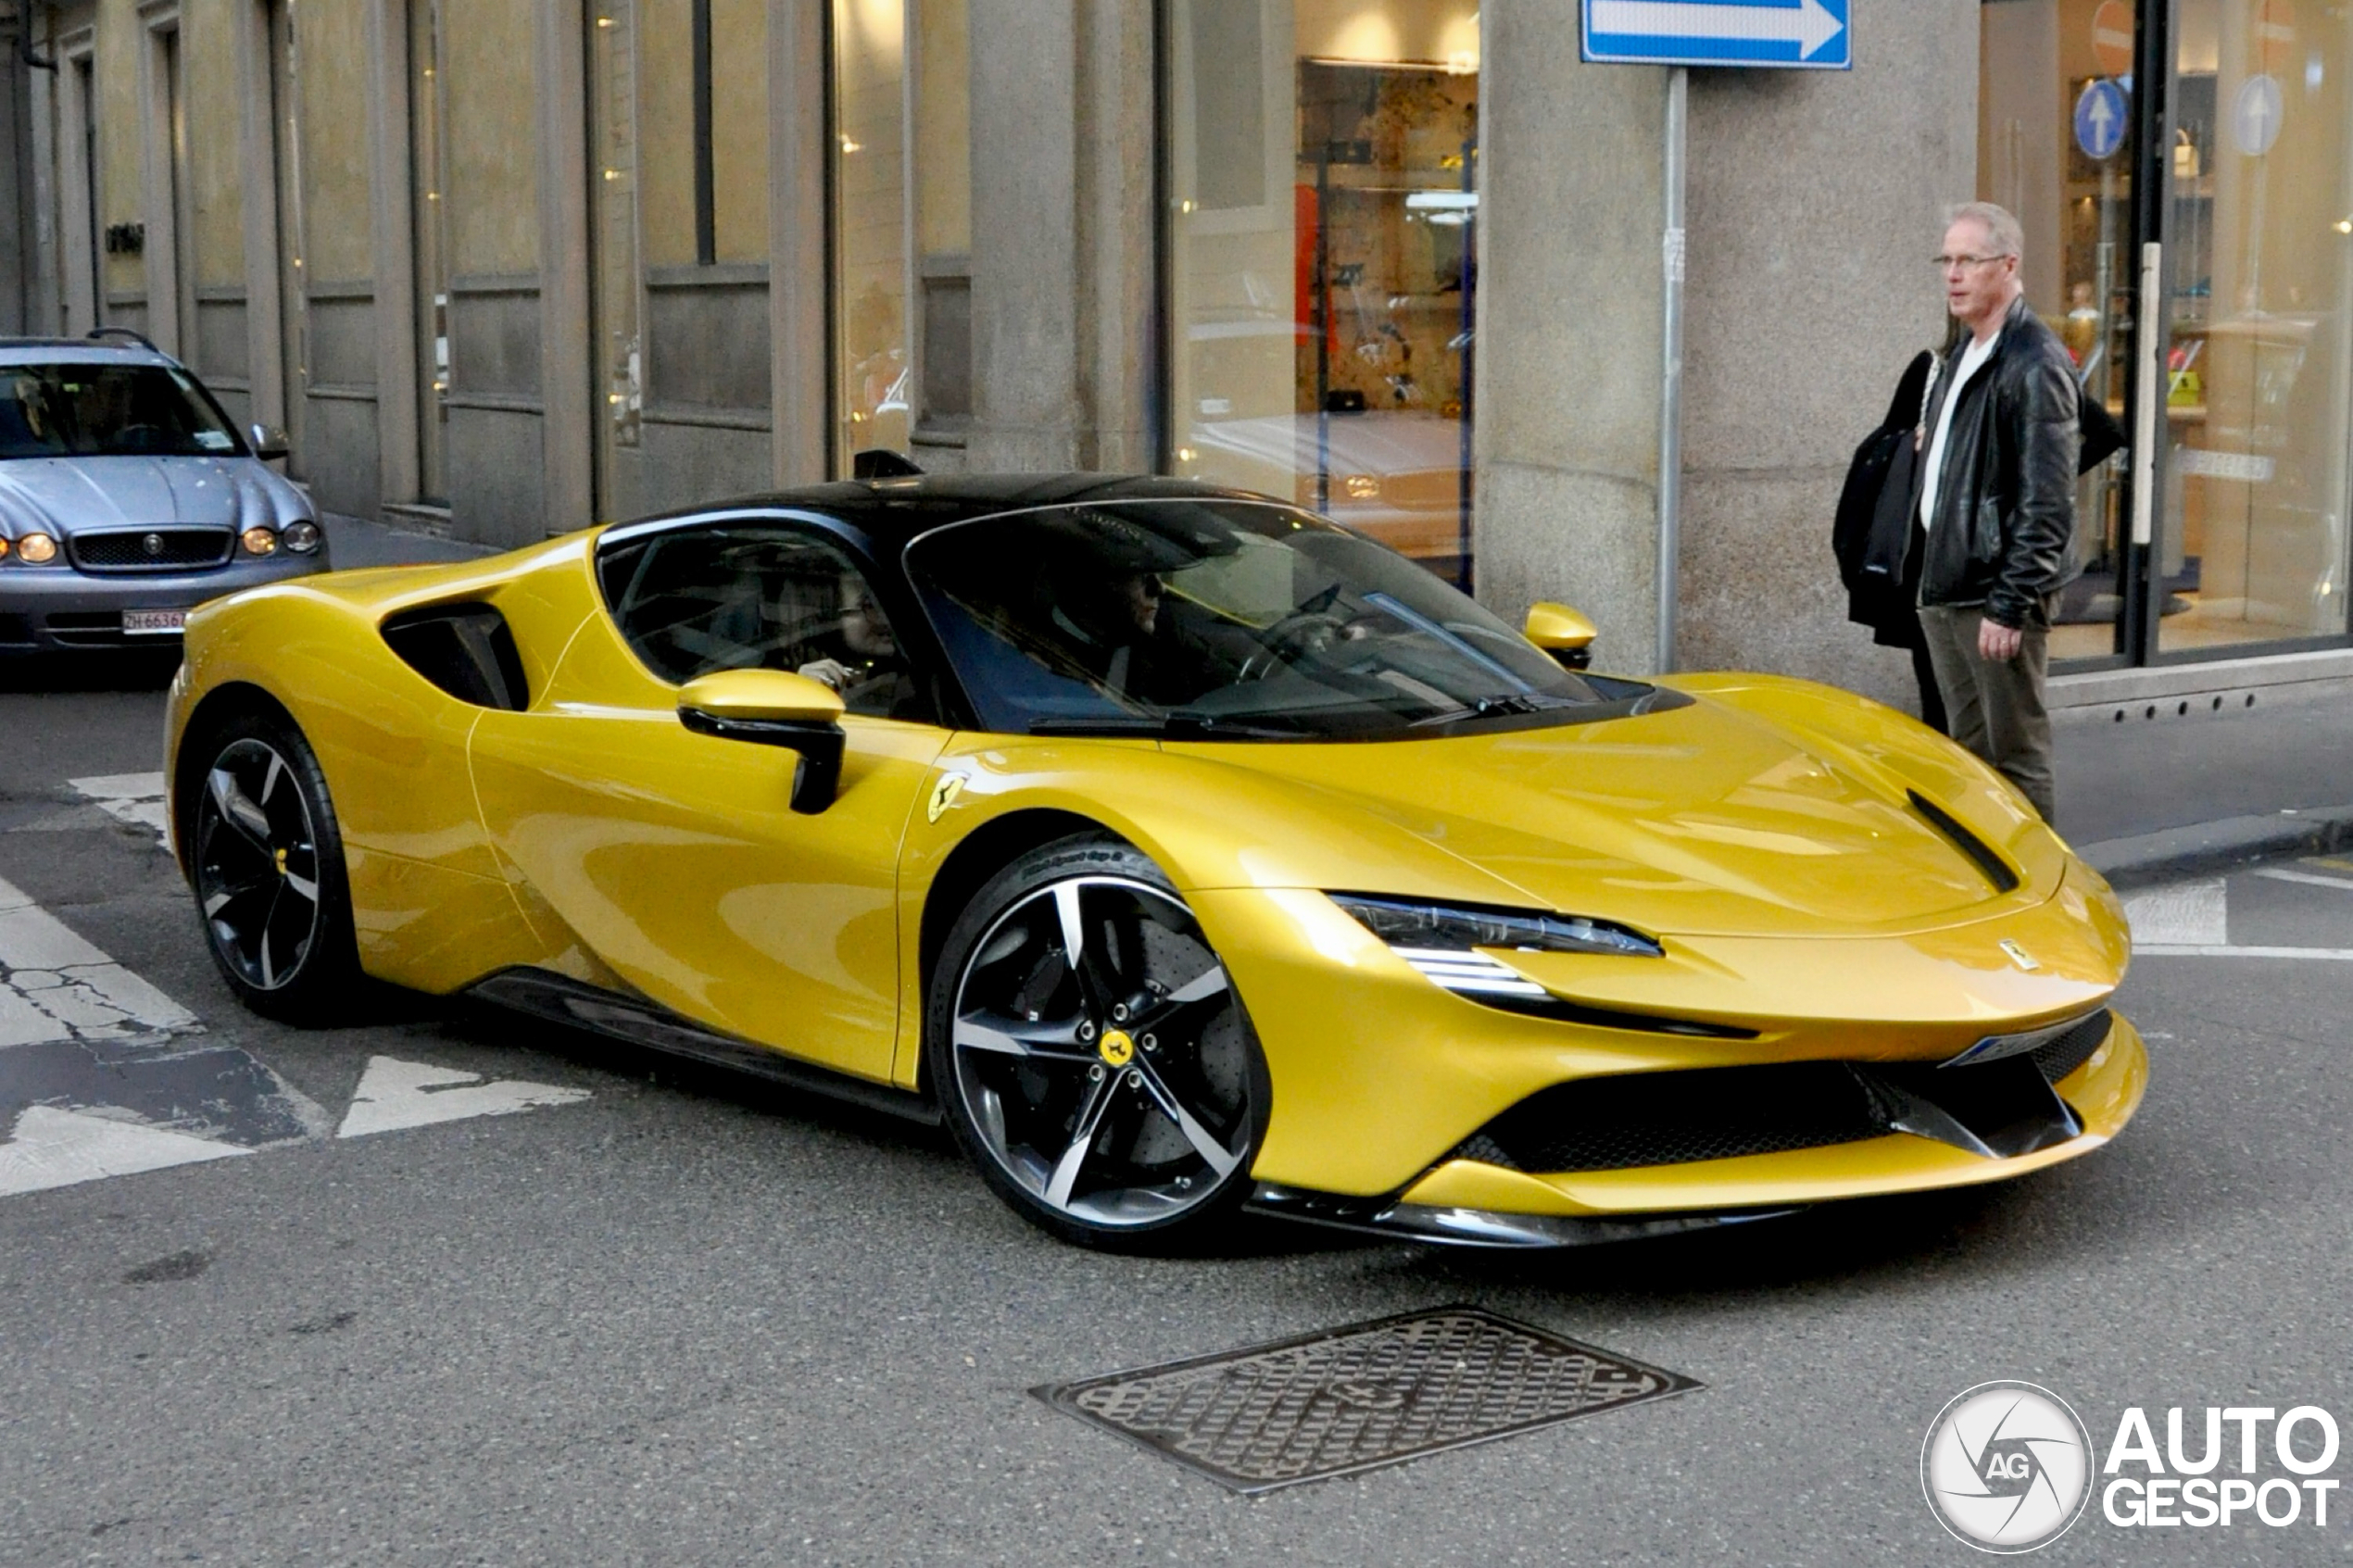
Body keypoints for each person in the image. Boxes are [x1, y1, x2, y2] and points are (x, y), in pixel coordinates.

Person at [1908, 202, 2081, 822]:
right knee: (1969, 760)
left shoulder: (2034, 362)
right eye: (1946, 261)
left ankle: (2046, 896)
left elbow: (2049, 502)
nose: (1953, 274)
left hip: (1993, 595)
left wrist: (2011, 602)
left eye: (1968, 261)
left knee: (2016, 757)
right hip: (1949, 587)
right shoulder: (1962, 354)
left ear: (2008, 266)